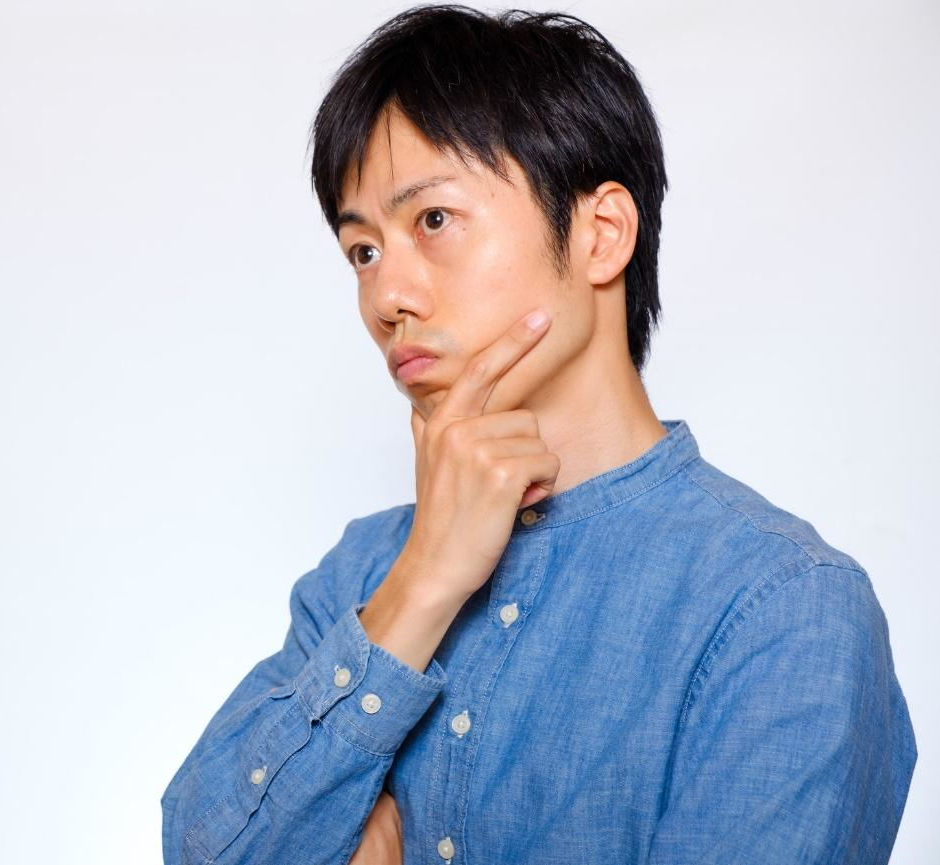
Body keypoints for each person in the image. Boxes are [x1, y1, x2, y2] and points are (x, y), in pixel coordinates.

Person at [159, 6, 917, 864]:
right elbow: (199, 847)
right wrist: (426, 579)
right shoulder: (363, 575)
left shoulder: (782, 608)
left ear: (602, 235)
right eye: (362, 251)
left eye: (433, 220)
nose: (385, 298)